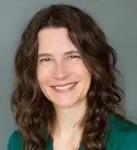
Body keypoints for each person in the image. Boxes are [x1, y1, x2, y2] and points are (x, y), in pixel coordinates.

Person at [8, 4, 137, 150]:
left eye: (72, 56)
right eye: (46, 59)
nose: (60, 74)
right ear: (32, 71)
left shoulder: (130, 141)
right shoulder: (19, 143)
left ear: (94, 63)